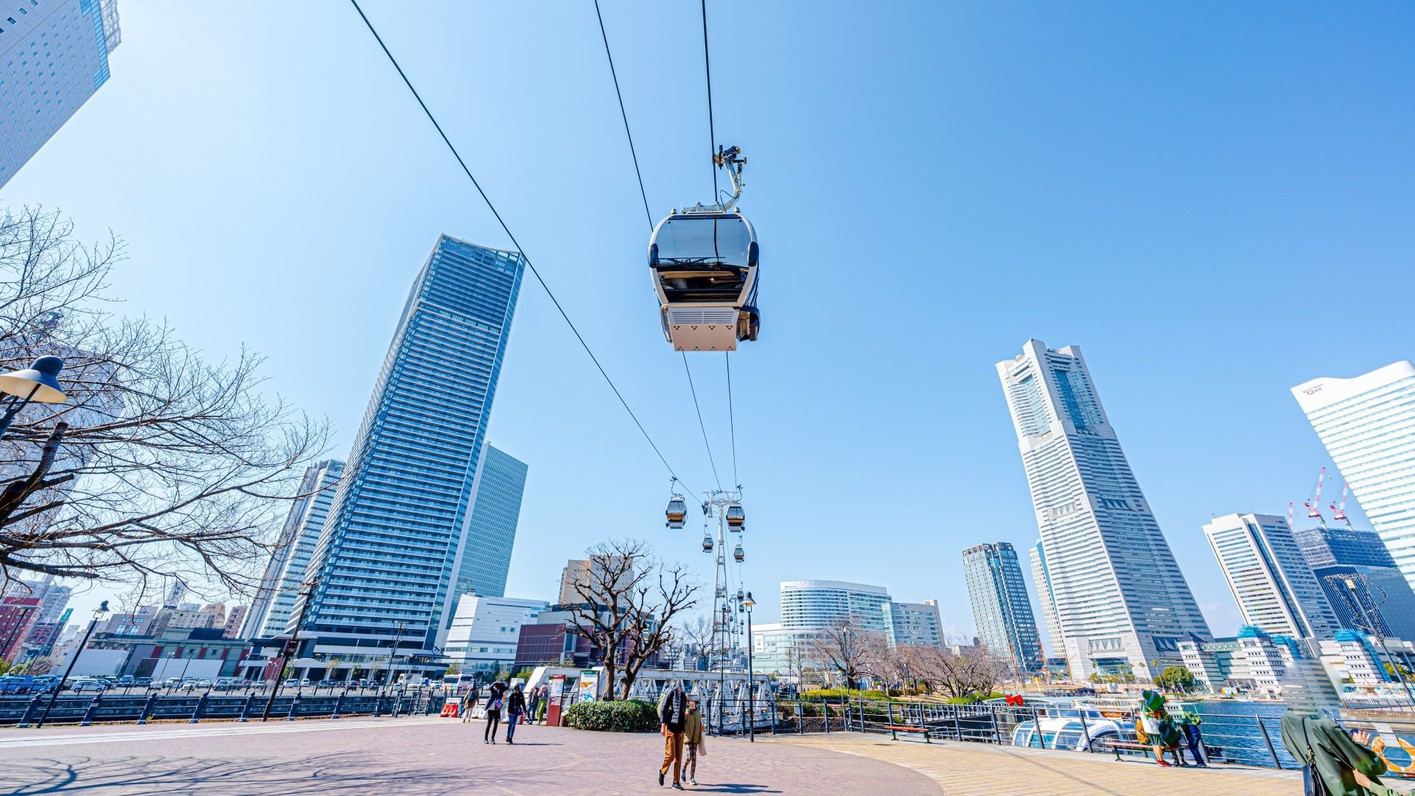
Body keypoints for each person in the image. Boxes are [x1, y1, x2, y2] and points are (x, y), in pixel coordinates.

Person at [1280, 709, 1400, 796]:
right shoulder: (1324, 724)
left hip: (1320, 788)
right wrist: (1360, 746)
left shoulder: (1286, 721)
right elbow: (1370, 767)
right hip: (1349, 790)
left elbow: (1295, 752)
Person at [658, 682, 689, 790]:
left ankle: (676, 782)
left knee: (678, 758)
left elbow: (684, 711)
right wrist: (662, 726)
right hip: (670, 728)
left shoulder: (684, 696)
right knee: (670, 754)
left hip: (680, 729)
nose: (681, 686)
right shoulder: (671, 693)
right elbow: (663, 709)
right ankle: (662, 770)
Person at [683, 699, 706, 786]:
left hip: (696, 737)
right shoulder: (687, 712)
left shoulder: (698, 712)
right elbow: (684, 722)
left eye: (694, 702)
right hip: (688, 737)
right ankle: (683, 769)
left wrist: (702, 729)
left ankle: (692, 777)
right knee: (689, 756)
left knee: (694, 758)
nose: (692, 704)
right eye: (690, 702)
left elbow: (700, 723)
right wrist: (686, 714)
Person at [484, 679, 507, 744]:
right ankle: (486, 738)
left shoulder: (501, 691)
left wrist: (501, 683)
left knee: (495, 724)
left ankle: (492, 738)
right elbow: (490, 687)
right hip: (491, 709)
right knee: (489, 724)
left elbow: (505, 687)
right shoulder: (493, 690)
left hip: (497, 709)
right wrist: (494, 682)